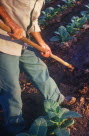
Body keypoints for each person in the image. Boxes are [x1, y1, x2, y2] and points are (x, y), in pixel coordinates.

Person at [0, 0, 76, 135]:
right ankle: (16, 128)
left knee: (39, 70)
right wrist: (10, 22)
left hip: (21, 41)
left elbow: (32, 21)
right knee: (11, 89)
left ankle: (57, 100)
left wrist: (42, 43)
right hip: (3, 41)